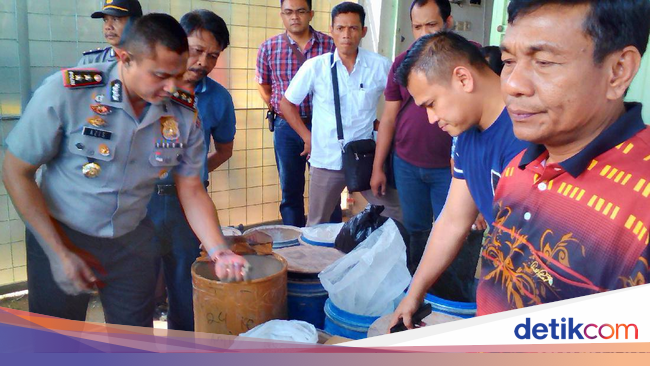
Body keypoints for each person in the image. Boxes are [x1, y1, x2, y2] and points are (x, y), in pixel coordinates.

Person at [2, 13, 246, 327]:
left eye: (177, 74)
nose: (171, 87)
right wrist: (57, 251)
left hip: (131, 240)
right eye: (159, 75)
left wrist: (219, 251)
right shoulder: (69, 92)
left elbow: (192, 187)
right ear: (125, 58)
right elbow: (15, 170)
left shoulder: (183, 113)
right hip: (62, 232)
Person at [479, 0, 650, 315]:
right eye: (508, 60)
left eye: (543, 61)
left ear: (618, 71)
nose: (512, 84)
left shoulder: (643, 206)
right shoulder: (520, 166)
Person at [388, 31, 528, 329]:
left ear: (463, 79)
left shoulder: (528, 130)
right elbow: (452, 219)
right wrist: (415, 293)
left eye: (431, 104)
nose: (430, 118)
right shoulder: (466, 135)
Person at [147, 10, 236, 332]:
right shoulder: (146, 87)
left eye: (212, 55)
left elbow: (224, 149)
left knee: (186, 290)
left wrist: (194, 174)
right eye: (197, 51)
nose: (203, 62)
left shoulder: (216, 99)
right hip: (141, 203)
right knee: (138, 292)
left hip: (189, 207)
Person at [279, 2, 402, 226]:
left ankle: (384, 255)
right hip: (326, 158)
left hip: (365, 159)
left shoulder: (381, 66)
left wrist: (382, 131)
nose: (347, 35)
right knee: (317, 222)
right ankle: (314, 261)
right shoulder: (316, 67)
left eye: (353, 28)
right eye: (341, 28)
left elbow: (400, 103)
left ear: (363, 31)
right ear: (332, 30)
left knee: (395, 210)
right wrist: (308, 137)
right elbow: (286, 104)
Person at [370, 0, 454, 273]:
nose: (425, 33)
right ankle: (417, 284)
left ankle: (447, 294)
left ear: (448, 23)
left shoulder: (467, 59)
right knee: (416, 229)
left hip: (450, 169)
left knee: (451, 230)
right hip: (406, 164)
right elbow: (389, 119)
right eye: (418, 26)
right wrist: (378, 167)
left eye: (432, 24)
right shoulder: (401, 63)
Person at [256, 0, 340, 227]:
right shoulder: (269, 48)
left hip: (324, 128)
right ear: (281, 15)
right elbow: (264, 86)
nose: (295, 17)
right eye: (289, 12)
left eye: (301, 11)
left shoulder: (330, 45)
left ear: (310, 14)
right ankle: (294, 243)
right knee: (291, 190)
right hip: (286, 128)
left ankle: (330, 243)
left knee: (329, 187)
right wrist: (282, 110)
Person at [78, 0, 143, 66]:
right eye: (105, 20)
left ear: (136, 23)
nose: (108, 26)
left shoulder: (150, 60)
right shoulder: (90, 62)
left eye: (115, 19)